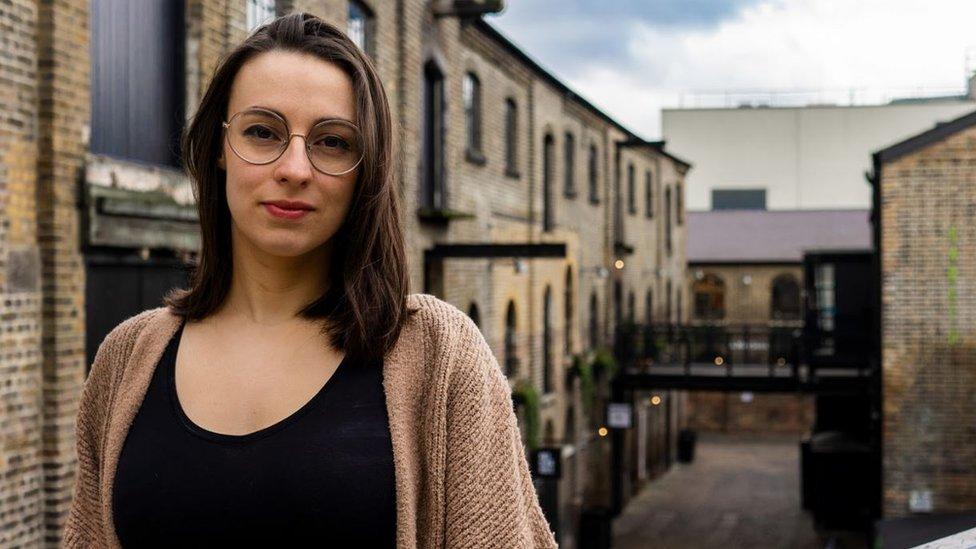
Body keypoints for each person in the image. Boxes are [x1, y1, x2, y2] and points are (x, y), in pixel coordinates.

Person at [63, 12, 557, 548]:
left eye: (333, 142)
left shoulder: (439, 355)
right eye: (262, 132)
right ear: (217, 150)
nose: (295, 167)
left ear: (366, 168)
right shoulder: (127, 358)